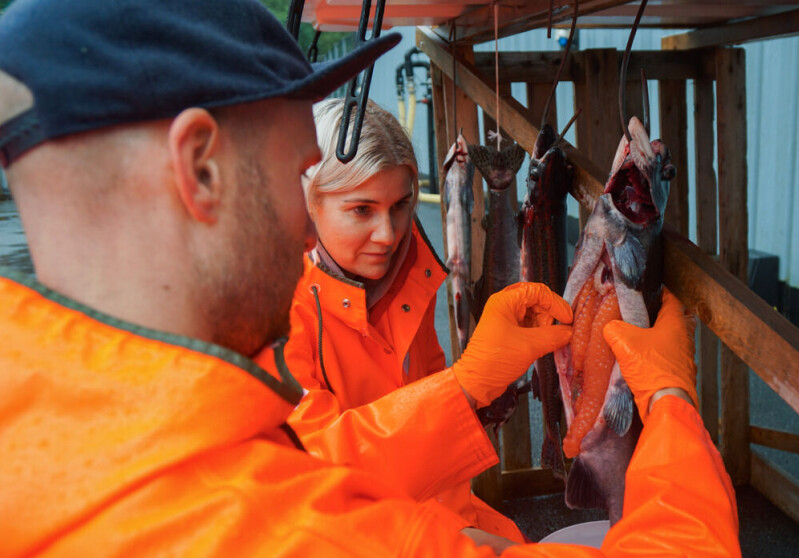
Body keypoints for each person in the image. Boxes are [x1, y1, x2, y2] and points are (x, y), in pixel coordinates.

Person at [0, 0, 740, 555]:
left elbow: (314, 449)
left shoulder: (41, 426)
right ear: (199, 167)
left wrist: (464, 388)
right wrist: (671, 399)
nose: (304, 227)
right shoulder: (306, 534)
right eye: (297, 176)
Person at [284, 97, 527, 542]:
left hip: (440, 520)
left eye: (400, 206)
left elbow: (431, 441)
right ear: (309, 204)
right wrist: (466, 386)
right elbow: (316, 468)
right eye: (362, 210)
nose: (389, 234)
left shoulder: (411, 276)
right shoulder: (274, 312)